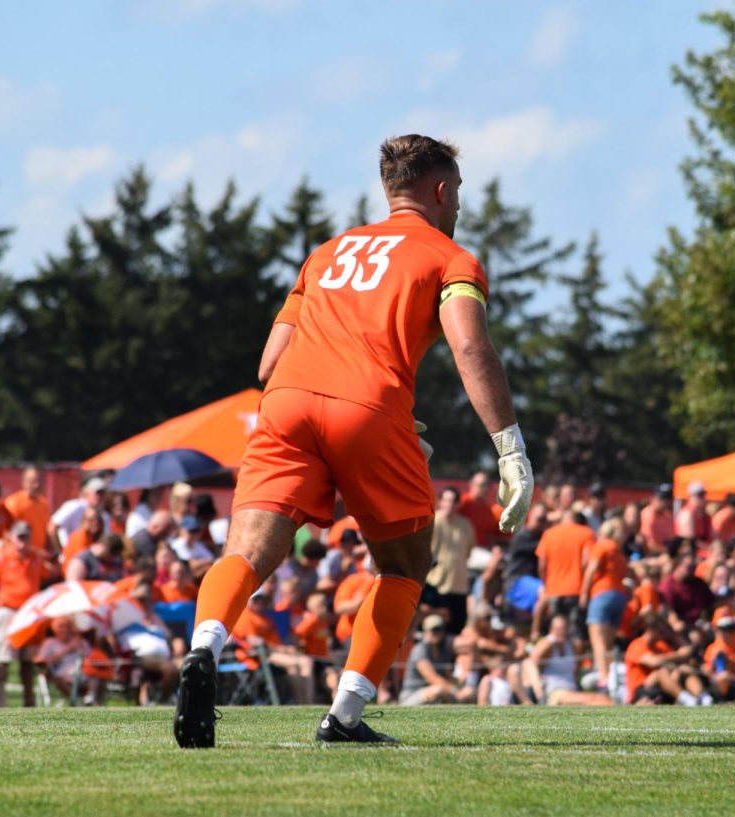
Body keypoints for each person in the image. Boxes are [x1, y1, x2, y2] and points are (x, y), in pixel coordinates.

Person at [174, 135, 534, 748]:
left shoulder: (327, 252)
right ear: (442, 191)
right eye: (459, 193)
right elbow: (470, 347)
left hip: (284, 403)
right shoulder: (451, 258)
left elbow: (268, 363)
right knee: (405, 564)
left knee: (248, 553)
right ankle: (343, 716)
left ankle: (205, 644)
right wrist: (510, 448)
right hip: (368, 409)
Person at [0, 522, 48, 706]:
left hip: (29, 613)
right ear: (12, 538)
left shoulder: (36, 558)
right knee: (4, 658)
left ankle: (29, 702)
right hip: (8, 610)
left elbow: (49, 574)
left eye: (26, 537)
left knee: (27, 661)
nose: (23, 541)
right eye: (19, 537)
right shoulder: (1, 557)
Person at [580, 517, 629, 693]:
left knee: (597, 637)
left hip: (602, 592)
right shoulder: (619, 551)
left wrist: (584, 592)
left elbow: (592, 568)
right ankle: (609, 676)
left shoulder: (602, 545)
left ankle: (603, 677)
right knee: (608, 642)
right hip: (619, 594)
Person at [534, 509, 594, 639]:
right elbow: (586, 562)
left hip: (553, 590)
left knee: (556, 631)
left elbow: (542, 565)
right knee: (576, 633)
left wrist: (546, 584)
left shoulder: (549, 534)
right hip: (576, 590)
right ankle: (574, 659)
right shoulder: (586, 533)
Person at [422, 487, 474, 634]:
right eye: (446, 500)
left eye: (453, 501)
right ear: (440, 502)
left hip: (458, 586)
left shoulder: (465, 525)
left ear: (458, 504)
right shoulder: (431, 521)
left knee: (457, 628)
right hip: (435, 585)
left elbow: (468, 552)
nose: (449, 504)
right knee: (433, 629)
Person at [399, 614, 474, 705]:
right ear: (426, 632)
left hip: (435, 694)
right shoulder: (419, 650)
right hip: (411, 696)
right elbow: (432, 678)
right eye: (434, 629)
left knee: (470, 692)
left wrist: (461, 684)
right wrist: (456, 692)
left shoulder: (443, 651)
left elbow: (448, 677)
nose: (437, 633)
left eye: (440, 629)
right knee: (439, 690)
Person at [3, 467, 53, 560]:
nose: (36, 485)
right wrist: (31, 550)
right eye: (33, 482)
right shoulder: (14, 503)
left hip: (39, 557)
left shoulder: (43, 503)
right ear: (24, 482)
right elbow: (7, 534)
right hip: (19, 557)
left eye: (39, 481)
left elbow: (46, 531)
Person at [48, 477, 109, 552]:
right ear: (87, 492)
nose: (100, 497)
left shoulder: (105, 515)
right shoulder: (75, 506)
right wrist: (61, 551)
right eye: (98, 493)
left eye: (103, 493)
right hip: (72, 555)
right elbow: (52, 526)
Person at [639, 484, 674, 554]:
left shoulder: (667, 515)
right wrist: (671, 552)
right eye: (663, 498)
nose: (666, 501)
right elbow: (650, 546)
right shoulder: (648, 514)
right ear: (653, 498)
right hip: (650, 555)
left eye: (669, 498)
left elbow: (671, 539)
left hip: (664, 551)